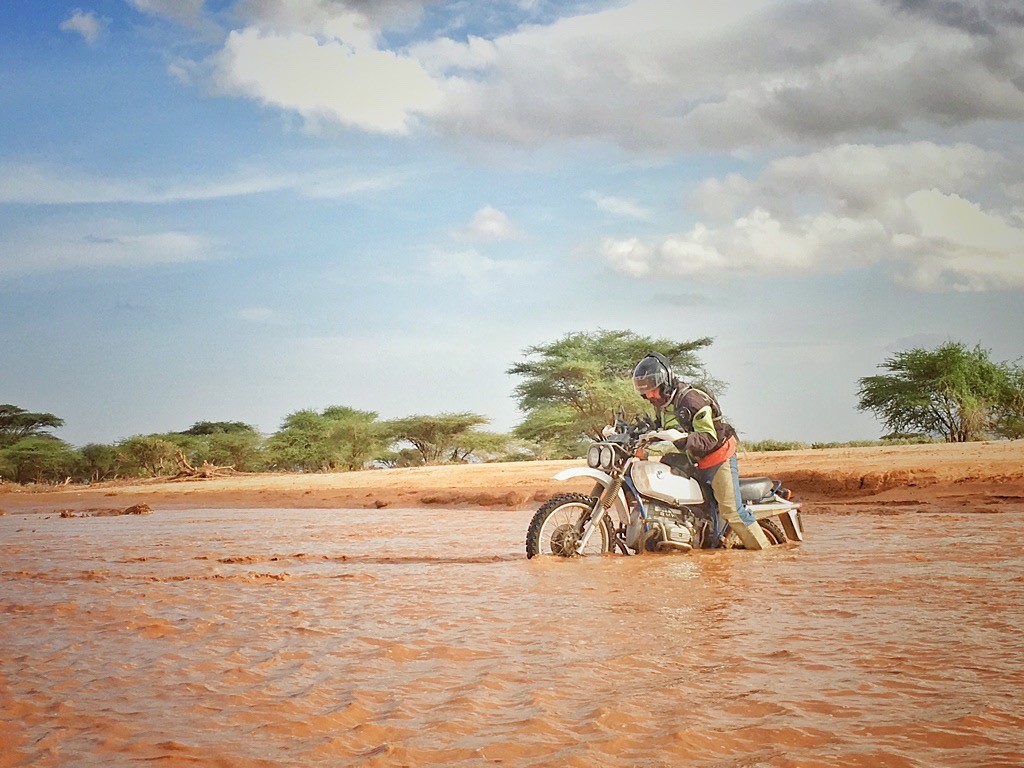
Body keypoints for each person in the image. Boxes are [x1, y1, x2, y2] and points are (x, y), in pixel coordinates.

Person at [631, 352, 770, 550]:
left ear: (666, 382)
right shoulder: (661, 404)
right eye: (646, 392)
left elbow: (709, 438)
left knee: (732, 511)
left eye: (654, 390)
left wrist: (682, 439)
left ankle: (766, 554)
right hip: (693, 456)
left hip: (717, 456)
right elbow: (659, 426)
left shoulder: (691, 400)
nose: (650, 395)